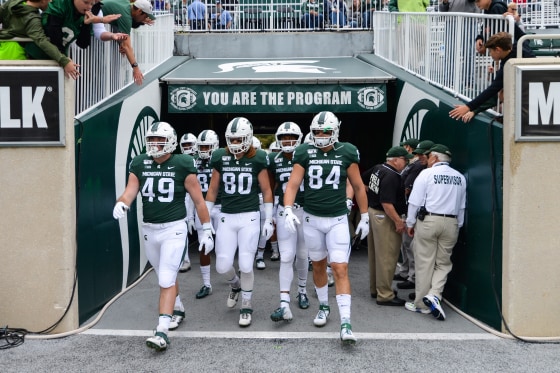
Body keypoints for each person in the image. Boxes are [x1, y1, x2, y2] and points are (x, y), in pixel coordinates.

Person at [112, 121, 214, 351]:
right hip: (149, 229)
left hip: (174, 229)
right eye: (151, 140)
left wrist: (206, 228)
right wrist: (122, 203)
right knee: (164, 276)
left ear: (170, 142)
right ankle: (177, 308)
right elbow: (130, 191)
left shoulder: (182, 163)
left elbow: (198, 200)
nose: (154, 144)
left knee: (166, 278)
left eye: (159, 140)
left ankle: (162, 331)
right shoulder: (140, 162)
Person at [283, 111, 370, 345]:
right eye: (317, 132)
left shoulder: (347, 151)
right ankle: (323, 306)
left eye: (326, 131)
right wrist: (288, 208)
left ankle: (346, 323)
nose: (321, 136)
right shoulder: (304, 152)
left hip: (338, 219)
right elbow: (293, 184)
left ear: (336, 132)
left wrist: (364, 216)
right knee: (319, 266)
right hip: (312, 219)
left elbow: (358, 186)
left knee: (340, 268)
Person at [205, 117, 274, 327]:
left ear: (248, 138)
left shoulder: (258, 158)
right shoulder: (220, 157)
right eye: (232, 139)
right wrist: (206, 222)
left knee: (246, 263)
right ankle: (235, 285)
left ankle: (246, 303)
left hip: (250, 216)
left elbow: (266, 190)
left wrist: (269, 219)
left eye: (239, 139)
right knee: (222, 265)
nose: (235, 144)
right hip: (227, 215)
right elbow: (213, 190)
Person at [404, 144, 466, 320]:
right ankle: (435, 293)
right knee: (443, 263)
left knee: (424, 263)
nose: (428, 159)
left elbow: (414, 202)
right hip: (451, 222)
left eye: (429, 156)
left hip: (429, 221)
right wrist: (458, 224)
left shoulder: (426, 174)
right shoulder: (460, 177)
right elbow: (462, 205)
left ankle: (421, 305)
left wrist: (410, 222)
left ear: (436, 158)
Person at [268, 121, 310, 322]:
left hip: (305, 211)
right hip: (284, 211)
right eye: (284, 137)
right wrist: (270, 215)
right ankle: (284, 301)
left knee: (302, 254)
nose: (287, 140)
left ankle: (302, 290)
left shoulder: (307, 155)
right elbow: (271, 186)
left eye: (291, 137)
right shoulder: (273, 160)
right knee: (286, 256)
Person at [362, 146, 411, 307]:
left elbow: (363, 180)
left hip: (373, 212)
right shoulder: (392, 175)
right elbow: (387, 203)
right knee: (387, 257)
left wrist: (371, 197)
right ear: (396, 160)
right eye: (405, 159)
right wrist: (398, 221)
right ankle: (385, 294)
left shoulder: (379, 168)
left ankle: (376, 289)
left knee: (376, 255)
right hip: (385, 217)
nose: (406, 162)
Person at [449, 32, 535, 121]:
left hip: (533, 93)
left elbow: (492, 90)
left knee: (503, 93)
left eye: (490, 51)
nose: (490, 54)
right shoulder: (520, 45)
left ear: (498, 50)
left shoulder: (508, 65)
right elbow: (525, 38)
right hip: (538, 85)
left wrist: (468, 107)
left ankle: (516, 118)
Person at [184, 130, 222, 300]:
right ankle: (206, 283)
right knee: (203, 246)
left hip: (222, 207)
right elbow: (193, 192)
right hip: (202, 209)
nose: (204, 149)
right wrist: (190, 216)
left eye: (207, 146)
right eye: (201, 146)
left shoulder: (223, 160)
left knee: (224, 246)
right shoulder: (193, 163)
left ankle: (233, 278)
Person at [0, 0, 79, 79]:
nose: (51, 2)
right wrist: (64, 60)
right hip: (15, 56)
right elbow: (42, 41)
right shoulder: (32, 20)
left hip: (2, 49)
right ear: (43, 1)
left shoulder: (12, 3)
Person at [397, 140, 434, 299]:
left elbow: (407, 188)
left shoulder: (420, 167)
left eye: (421, 154)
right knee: (407, 244)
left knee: (413, 246)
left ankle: (414, 279)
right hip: (416, 211)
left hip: (423, 214)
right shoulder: (418, 165)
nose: (418, 157)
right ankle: (408, 274)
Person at [94, 0, 155, 85]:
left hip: (96, 27)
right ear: (139, 11)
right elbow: (127, 46)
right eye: (145, 16)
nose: (145, 19)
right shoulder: (126, 16)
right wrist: (136, 68)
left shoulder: (126, 4)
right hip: (91, 30)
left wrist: (122, 43)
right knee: (96, 69)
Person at [178, 132, 197, 273]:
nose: (186, 147)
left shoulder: (202, 159)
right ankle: (185, 259)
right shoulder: (179, 160)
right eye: (184, 145)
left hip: (203, 197)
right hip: (186, 196)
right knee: (183, 228)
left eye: (189, 144)